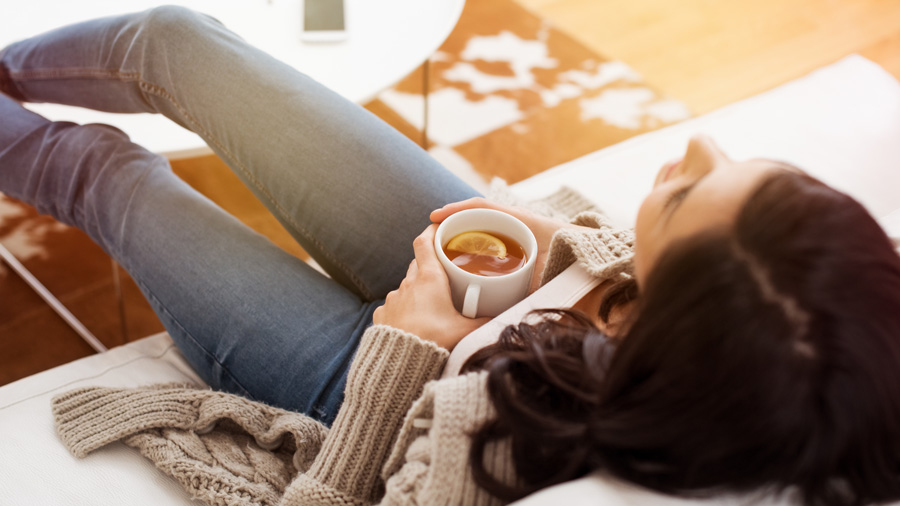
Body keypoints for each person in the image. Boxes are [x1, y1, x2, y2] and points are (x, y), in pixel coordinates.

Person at [2, 6, 899, 506]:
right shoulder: (811, 334)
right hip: (511, 281)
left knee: (103, 172)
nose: (699, 149)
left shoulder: (495, 457)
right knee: (175, 41)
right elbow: (642, 270)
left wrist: (403, 352)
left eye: (683, 194)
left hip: (372, 383)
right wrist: (567, 253)